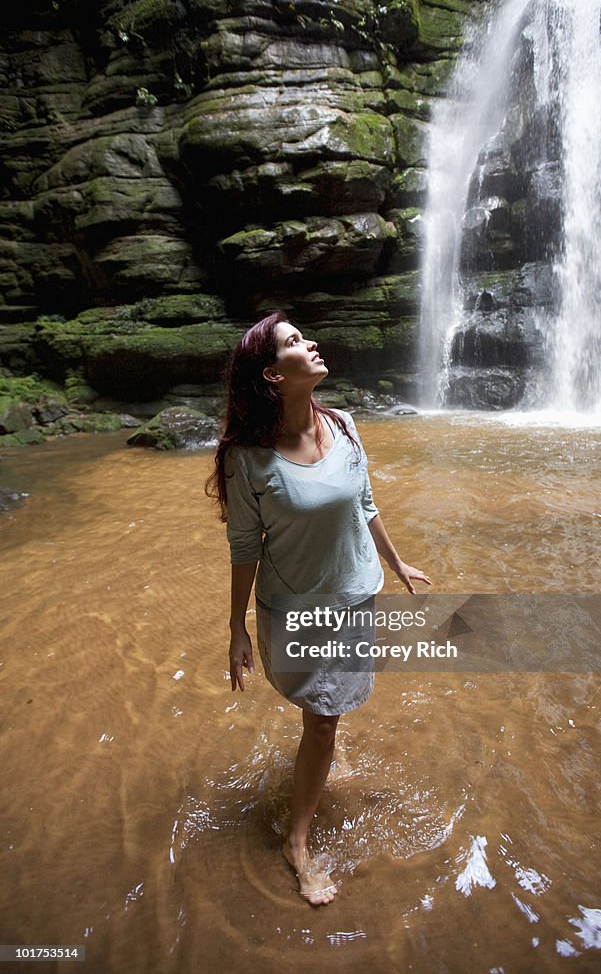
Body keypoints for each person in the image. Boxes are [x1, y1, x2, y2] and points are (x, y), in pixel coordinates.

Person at [206, 311, 431, 906]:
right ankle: (297, 845)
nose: (311, 345)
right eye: (294, 343)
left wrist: (397, 561)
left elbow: (365, 501)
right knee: (324, 714)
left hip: (355, 590)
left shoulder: (346, 425)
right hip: (294, 605)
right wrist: (236, 627)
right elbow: (244, 546)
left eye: (305, 337)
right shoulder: (248, 459)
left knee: (325, 714)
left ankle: (321, 751)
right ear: (273, 376)